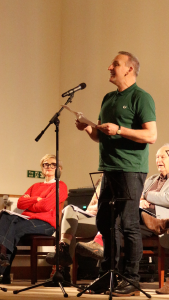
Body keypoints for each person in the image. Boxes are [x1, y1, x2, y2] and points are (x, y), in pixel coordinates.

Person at [76, 51, 157, 296]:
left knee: (129, 223)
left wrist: (120, 129)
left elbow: (151, 136)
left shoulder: (141, 98)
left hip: (131, 169)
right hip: (109, 169)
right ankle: (108, 275)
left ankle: (131, 280)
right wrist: (89, 127)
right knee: (105, 222)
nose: (109, 67)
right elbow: (101, 135)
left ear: (129, 69)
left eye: (116, 64)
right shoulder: (108, 98)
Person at [0, 154, 68, 284]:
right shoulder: (35, 186)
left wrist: (30, 202)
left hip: (47, 223)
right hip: (27, 219)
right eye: (45, 164)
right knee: (5, 216)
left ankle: (3, 271)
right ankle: (3, 263)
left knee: (12, 228)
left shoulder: (61, 186)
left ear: (59, 168)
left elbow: (47, 206)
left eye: (53, 164)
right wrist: (36, 199)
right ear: (42, 168)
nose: (49, 167)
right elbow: (20, 203)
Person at [46, 174, 103, 267]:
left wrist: (99, 207)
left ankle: (63, 269)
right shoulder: (101, 183)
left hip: (104, 222)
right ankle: (64, 247)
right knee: (69, 210)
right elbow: (89, 208)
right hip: (92, 217)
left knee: (66, 227)